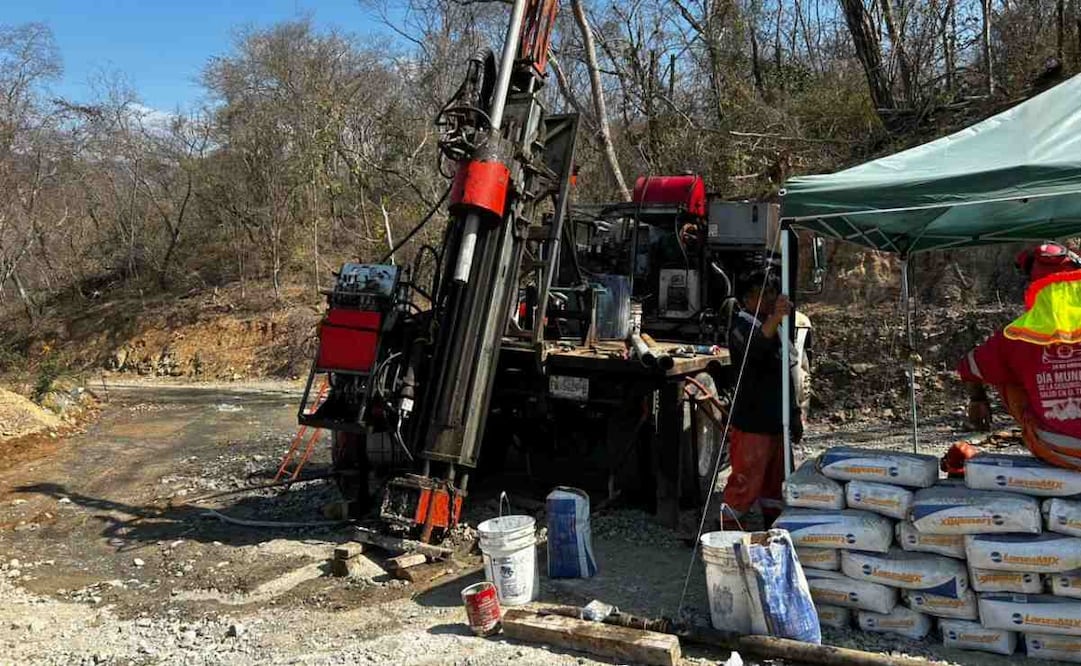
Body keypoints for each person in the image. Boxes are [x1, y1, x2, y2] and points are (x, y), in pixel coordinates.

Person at [958, 241, 1081, 470]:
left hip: (1059, 450)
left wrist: (977, 400)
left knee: (1003, 373)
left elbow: (969, 367)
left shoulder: (1016, 335)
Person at [721, 269, 803, 529]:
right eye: (763, 294)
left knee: (776, 485)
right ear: (747, 299)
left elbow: (786, 375)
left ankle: (773, 528)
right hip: (753, 423)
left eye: (772, 293)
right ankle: (726, 531)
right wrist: (776, 317)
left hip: (777, 422)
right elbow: (754, 349)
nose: (769, 299)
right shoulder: (740, 327)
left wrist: (795, 413)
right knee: (745, 482)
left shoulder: (775, 329)